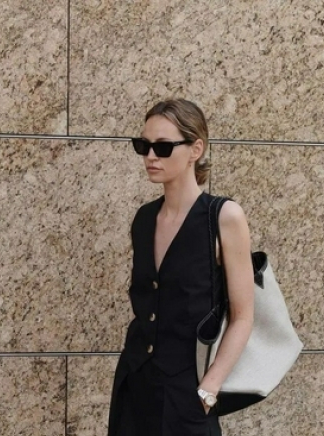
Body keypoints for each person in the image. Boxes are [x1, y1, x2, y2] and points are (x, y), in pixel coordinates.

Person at [108, 98, 255, 436]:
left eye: (162, 147)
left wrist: (209, 388)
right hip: (136, 386)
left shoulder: (224, 217)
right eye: (143, 146)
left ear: (195, 149)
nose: (150, 157)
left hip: (188, 394)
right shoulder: (145, 219)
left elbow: (243, 316)